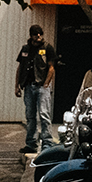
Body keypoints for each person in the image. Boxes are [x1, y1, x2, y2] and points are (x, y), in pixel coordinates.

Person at [15, 25, 58, 153]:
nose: (38, 36)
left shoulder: (47, 48)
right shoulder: (25, 49)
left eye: (40, 34)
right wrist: (17, 85)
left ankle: (47, 144)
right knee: (30, 116)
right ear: (31, 35)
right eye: (35, 34)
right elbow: (20, 67)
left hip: (41, 86)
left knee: (44, 115)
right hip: (28, 86)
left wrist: (46, 83)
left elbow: (51, 67)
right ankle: (31, 144)